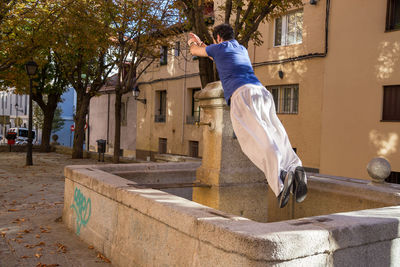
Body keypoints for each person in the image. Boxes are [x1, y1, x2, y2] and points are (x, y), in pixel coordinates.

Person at [188, 23, 307, 208]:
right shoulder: (240, 48)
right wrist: (203, 43)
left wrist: (192, 43)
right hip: (262, 92)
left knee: (253, 140)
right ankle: (295, 167)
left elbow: (197, 51)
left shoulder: (219, 47)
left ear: (218, 38)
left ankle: (280, 178)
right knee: (275, 131)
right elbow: (212, 54)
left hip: (241, 95)